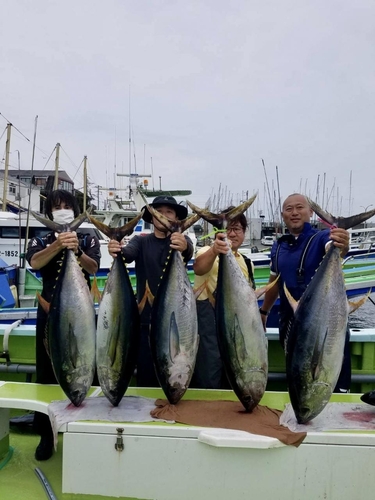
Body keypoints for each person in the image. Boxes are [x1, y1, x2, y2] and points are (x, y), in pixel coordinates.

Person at [26, 189, 101, 461]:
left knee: (86, 369)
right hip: (51, 315)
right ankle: (47, 435)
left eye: (67, 206)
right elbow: (35, 263)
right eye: (57, 207)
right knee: (47, 374)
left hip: (81, 315)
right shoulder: (40, 239)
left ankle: (85, 432)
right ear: (49, 214)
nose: (62, 210)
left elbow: (93, 268)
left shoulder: (88, 238)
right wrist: (58, 244)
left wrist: (76, 249)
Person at [259, 193, 351, 392]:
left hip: (324, 321)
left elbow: (333, 247)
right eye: (289, 209)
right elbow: (274, 282)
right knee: (299, 374)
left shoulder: (321, 238)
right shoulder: (279, 245)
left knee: (328, 370)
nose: (294, 212)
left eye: (299, 207)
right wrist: (264, 311)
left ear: (310, 212)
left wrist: (341, 245)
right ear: (282, 214)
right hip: (290, 323)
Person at [107, 195, 193, 387]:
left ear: (176, 219)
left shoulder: (181, 240)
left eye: (168, 212)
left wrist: (184, 245)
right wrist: (115, 247)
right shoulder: (140, 241)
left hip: (176, 322)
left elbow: (188, 250)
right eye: (158, 212)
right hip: (144, 322)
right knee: (146, 377)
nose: (163, 216)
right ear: (152, 218)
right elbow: (127, 254)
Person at [191, 207, 255, 389]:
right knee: (209, 373)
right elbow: (199, 268)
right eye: (228, 229)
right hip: (209, 325)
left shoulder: (248, 263)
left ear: (244, 233)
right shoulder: (206, 251)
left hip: (238, 326)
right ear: (218, 231)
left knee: (235, 373)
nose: (232, 234)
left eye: (237, 229)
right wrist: (215, 250)